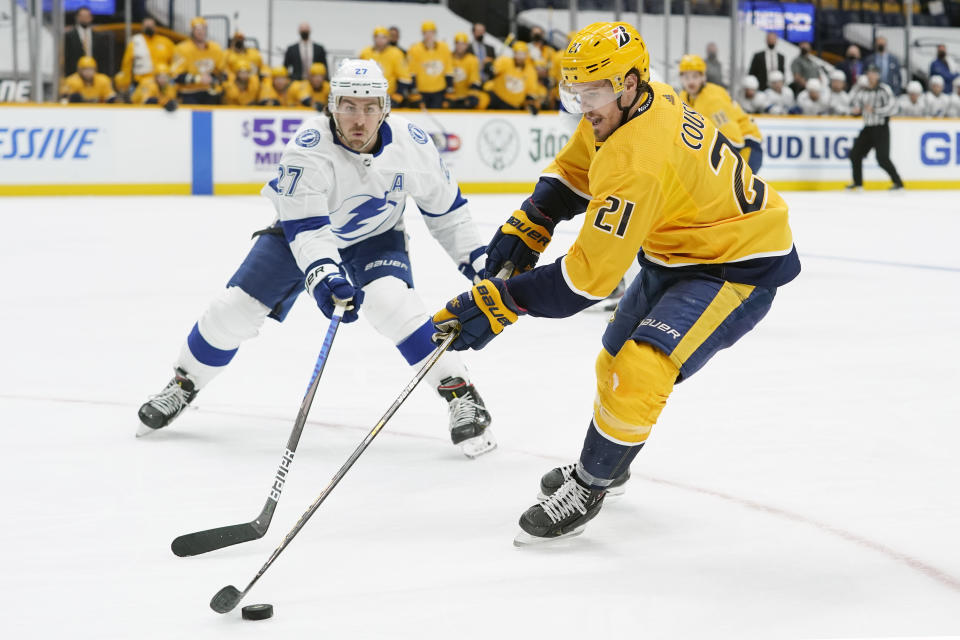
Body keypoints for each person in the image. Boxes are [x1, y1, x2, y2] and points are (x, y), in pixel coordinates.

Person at [430, 22, 800, 544]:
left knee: (640, 368)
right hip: (682, 249)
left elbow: (586, 281)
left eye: (594, 90)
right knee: (612, 356)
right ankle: (612, 459)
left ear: (628, 84)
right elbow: (579, 166)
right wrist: (534, 216)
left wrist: (502, 302)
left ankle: (591, 483)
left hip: (737, 262)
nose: (584, 103)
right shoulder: (644, 98)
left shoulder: (637, 162)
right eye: (575, 90)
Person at [137, 59, 495, 459]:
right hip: (304, 232)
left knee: (391, 303)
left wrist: (479, 263)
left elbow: (448, 212)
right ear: (331, 106)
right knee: (232, 311)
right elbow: (307, 229)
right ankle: (185, 382)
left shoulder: (412, 145)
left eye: (370, 107)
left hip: (375, 237)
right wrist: (324, 275)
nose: (359, 119)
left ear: (385, 108)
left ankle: (460, 393)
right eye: (348, 106)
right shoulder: (307, 149)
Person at [678, 54, 763, 173]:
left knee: (737, 187)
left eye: (695, 76)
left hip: (748, 145)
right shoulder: (683, 97)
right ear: (680, 78)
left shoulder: (712, 100)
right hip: (730, 145)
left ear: (703, 77)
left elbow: (734, 140)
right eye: (686, 77)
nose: (690, 81)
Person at [847, 64, 903, 191]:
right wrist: (855, 111)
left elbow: (893, 108)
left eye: (873, 73)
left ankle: (898, 182)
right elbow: (853, 103)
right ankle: (858, 183)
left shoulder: (884, 89)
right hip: (868, 127)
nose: (871, 75)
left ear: (878, 75)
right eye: (869, 73)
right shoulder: (862, 90)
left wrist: (875, 110)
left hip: (881, 128)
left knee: (882, 158)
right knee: (855, 154)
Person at [170, 16, 226, 105]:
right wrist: (198, 78)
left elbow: (222, 73)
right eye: (197, 29)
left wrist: (214, 78)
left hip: (210, 91)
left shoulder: (215, 48)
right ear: (192, 31)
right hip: (189, 93)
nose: (200, 32)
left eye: (203, 28)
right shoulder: (182, 49)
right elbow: (175, 75)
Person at [485, 41, 545, 112]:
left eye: (522, 54)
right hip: (496, 99)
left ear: (526, 55)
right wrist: (489, 66)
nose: (519, 57)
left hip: (513, 106)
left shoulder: (531, 71)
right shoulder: (505, 61)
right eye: (518, 54)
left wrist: (530, 104)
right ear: (514, 53)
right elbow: (493, 70)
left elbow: (531, 91)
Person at [360, 26, 412, 107]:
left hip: (389, 96)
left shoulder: (396, 53)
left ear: (388, 39)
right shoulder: (365, 53)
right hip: (368, 95)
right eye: (378, 37)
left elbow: (404, 77)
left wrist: (398, 94)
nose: (380, 40)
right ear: (374, 38)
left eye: (383, 37)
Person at [407, 20, 454, 109]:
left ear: (435, 33)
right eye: (426, 33)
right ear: (422, 34)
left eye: (431, 32)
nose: (429, 36)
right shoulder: (415, 49)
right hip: (422, 91)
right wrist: (414, 91)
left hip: (439, 90)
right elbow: (412, 72)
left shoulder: (444, 48)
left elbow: (448, 70)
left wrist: (449, 91)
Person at [119, 17, 175, 88]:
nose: (149, 28)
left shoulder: (166, 42)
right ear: (142, 27)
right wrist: (126, 82)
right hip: (141, 82)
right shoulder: (136, 41)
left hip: (162, 82)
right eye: (147, 26)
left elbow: (174, 61)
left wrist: (171, 77)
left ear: (155, 27)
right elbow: (127, 63)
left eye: (151, 26)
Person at [64, 6, 110, 76]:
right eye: (82, 16)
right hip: (75, 75)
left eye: (87, 16)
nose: (85, 18)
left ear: (91, 17)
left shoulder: (99, 37)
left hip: (95, 75)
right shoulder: (69, 36)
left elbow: (103, 59)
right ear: (77, 17)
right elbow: (67, 58)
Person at [446, 32, 486, 109]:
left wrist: (471, 96)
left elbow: (474, 80)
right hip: (451, 96)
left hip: (466, 96)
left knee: (477, 101)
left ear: (467, 45)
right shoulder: (448, 57)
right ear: (455, 44)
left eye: (463, 44)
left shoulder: (472, 59)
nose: (460, 46)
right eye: (458, 44)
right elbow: (446, 76)